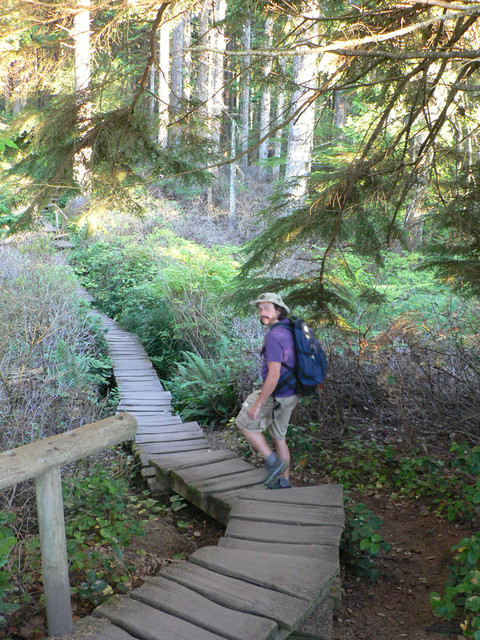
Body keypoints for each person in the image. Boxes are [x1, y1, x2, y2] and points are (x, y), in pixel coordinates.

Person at [235, 292, 300, 489]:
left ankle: (272, 460)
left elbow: (273, 375)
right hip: (292, 392)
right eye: (260, 308)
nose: (262, 312)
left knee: (244, 423)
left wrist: (258, 404)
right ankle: (284, 481)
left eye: (267, 308)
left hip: (277, 393)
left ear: (278, 310)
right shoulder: (290, 329)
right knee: (279, 436)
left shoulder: (275, 335)